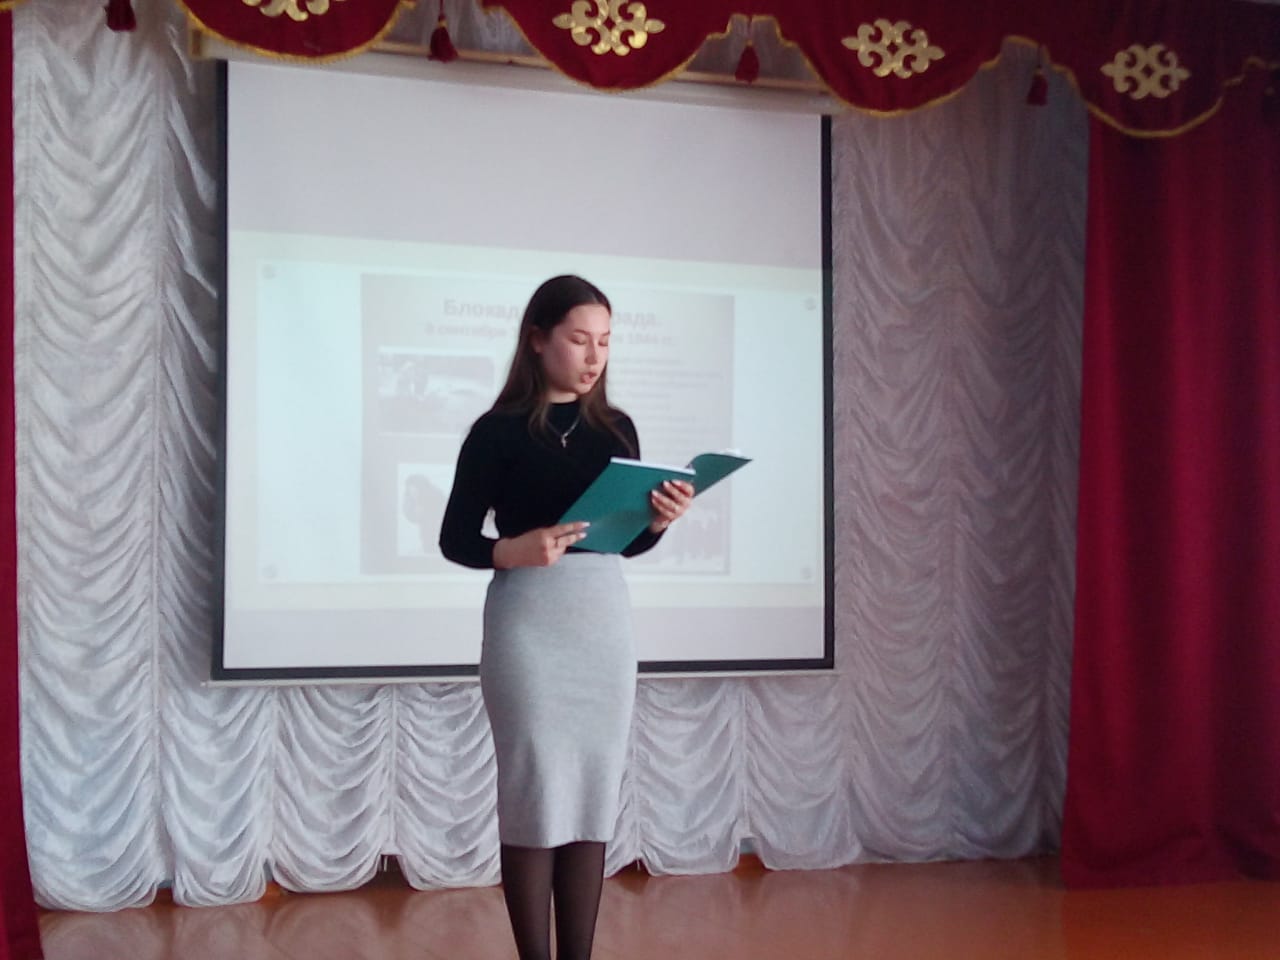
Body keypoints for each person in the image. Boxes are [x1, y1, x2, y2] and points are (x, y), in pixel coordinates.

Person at [438, 275, 693, 960]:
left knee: (590, 794)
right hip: (528, 623)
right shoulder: (495, 432)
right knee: (536, 792)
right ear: (537, 339)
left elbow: (626, 542)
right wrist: (511, 550)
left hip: (601, 623)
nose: (594, 356)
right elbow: (455, 538)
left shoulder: (616, 430)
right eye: (579, 340)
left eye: (604, 342)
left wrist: (658, 523)